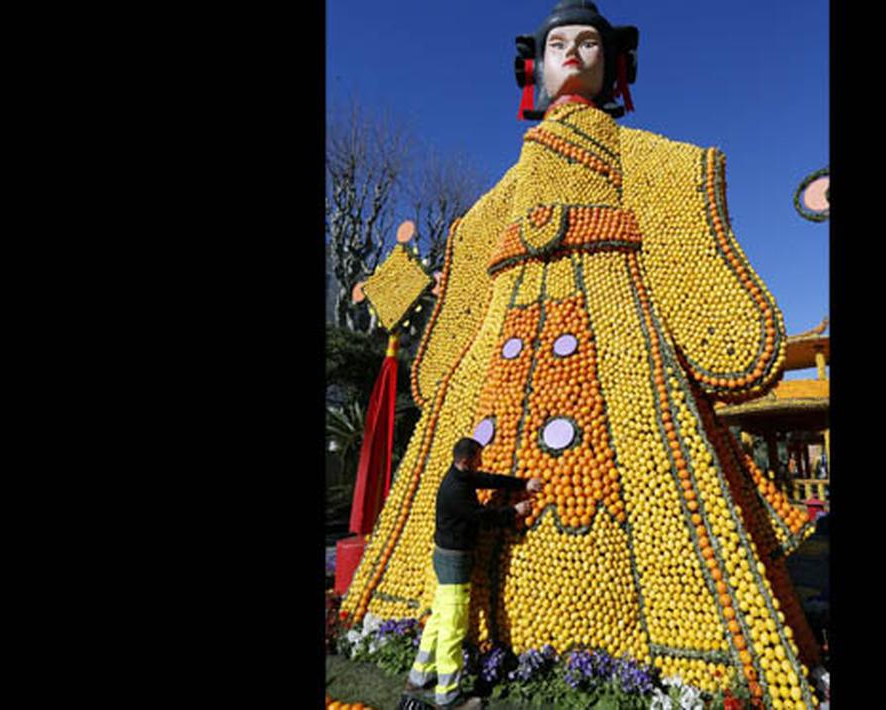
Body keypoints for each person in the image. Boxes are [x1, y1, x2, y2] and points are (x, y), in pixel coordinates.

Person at [345, 1, 819, 703]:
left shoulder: (653, 161)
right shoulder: (493, 203)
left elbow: (723, 322)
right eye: (557, 43)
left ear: (614, 63)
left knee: (651, 474)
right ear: (532, 68)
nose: (571, 52)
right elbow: (468, 261)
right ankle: (428, 645)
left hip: (614, 318)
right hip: (502, 336)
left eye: (588, 41)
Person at [406, 437, 543, 707]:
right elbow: (482, 517)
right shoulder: (455, 491)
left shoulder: (460, 475)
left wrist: (523, 483)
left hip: (446, 558)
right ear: (466, 461)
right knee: (453, 627)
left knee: (439, 617)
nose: (481, 462)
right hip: (454, 562)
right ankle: (448, 694)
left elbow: (487, 479)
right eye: (478, 458)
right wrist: (514, 511)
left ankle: (419, 675)